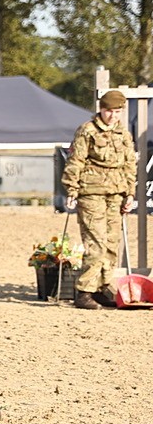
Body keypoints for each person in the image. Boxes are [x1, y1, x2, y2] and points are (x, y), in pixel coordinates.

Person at [62, 89, 137, 310]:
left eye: (117, 111)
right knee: (96, 242)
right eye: (108, 111)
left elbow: (129, 164)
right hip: (91, 192)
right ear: (100, 110)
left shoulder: (123, 133)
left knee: (112, 242)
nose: (112, 116)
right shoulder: (87, 131)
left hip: (116, 192)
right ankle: (84, 291)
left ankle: (103, 286)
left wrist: (130, 193)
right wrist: (72, 190)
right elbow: (75, 161)